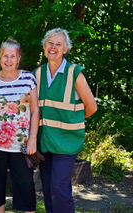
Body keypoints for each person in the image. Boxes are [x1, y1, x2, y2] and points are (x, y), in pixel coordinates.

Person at [34, 28, 97, 213]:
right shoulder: (37, 74)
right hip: (45, 142)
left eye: (58, 44)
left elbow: (92, 107)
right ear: (44, 47)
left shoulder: (74, 72)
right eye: (50, 43)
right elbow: (33, 109)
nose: (53, 47)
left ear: (65, 49)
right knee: (48, 190)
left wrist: (72, 121)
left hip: (67, 142)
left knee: (59, 189)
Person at [0, 38, 39, 213]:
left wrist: (33, 139)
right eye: (5, 56)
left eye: (13, 56)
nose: (9, 60)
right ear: (0, 58)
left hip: (22, 146)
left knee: (26, 186)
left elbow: (35, 111)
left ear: (18, 59)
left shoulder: (29, 79)